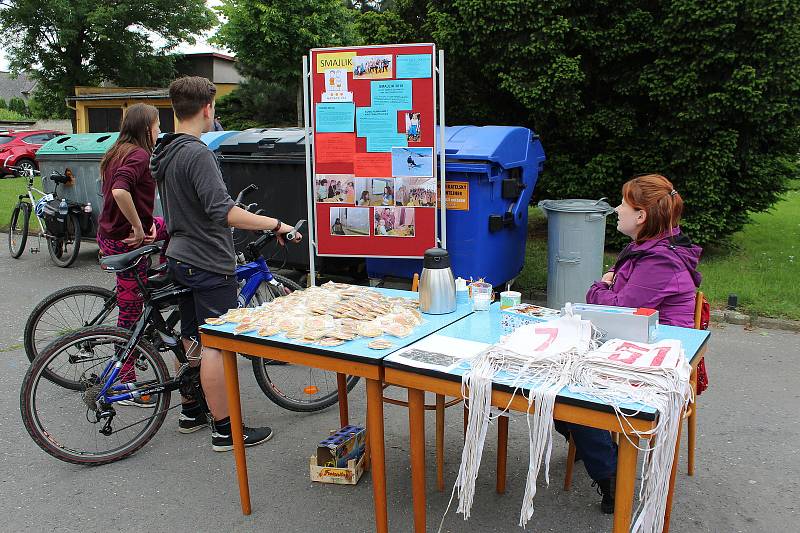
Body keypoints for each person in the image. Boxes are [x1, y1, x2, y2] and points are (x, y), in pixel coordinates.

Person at [151, 76, 302, 451]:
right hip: (206, 259)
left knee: (191, 334)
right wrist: (276, 224)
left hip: (180, 255)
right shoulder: (197, 152)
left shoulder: (166, 150)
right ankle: (225, 429)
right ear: (208, 109)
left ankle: (192, 410)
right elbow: (224, 213)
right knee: (217, 343)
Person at [556, 173, 702, 514]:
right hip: (630, 340)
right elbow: (615, 302)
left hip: (657, 358)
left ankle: (611, 473)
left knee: (573, 392)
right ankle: (595, 443)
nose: (617, 209)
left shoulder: (659, 260)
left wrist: (600, 287)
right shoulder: (643, 248)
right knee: (548, 382)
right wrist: (606, 289)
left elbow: (613, 306)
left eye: (624, 204)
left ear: (642, 216)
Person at [96, 103, 169, 403]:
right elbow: (119, 191)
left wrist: (149, 224)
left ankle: (163, 277)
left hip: (110, 233)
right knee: (130, 313)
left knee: (171, 228)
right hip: (125, 240)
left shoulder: (119, 150)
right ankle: (124, 382)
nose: (160, 130)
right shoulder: (138, 155)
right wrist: (139, 227)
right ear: (145, 128)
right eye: (157, 125)